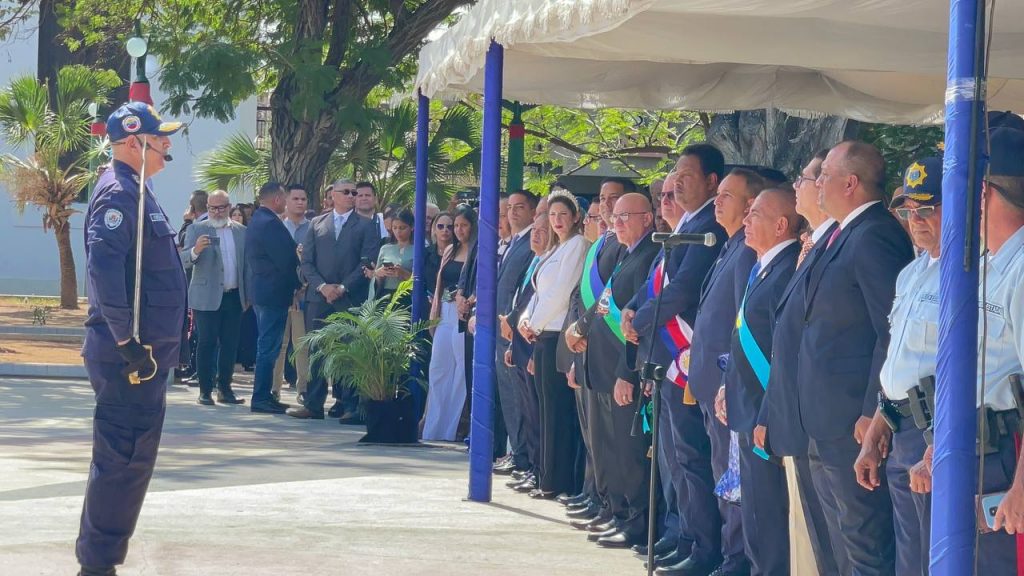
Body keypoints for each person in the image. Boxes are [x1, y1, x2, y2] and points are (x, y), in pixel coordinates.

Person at [77, 101, 187, 576]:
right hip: (130, 359)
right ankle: (96, 566)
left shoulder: (137, 190)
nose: (166, 143)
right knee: (122, 462)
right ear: (131, 142)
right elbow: (103, 271)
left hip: (142, 357)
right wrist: (127, 342)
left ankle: (100, 560)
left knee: (129, 463)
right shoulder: (119, 194)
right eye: (158, 137)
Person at [800, 140, 913, 576]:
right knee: (838, 544)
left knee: (864, 544)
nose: (817, 183)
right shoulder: (842, 233)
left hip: (853, 419)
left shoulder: (874, 234)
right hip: (825, 416)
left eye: (824, 175)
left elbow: (890, 329)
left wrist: (873, 409)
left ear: (850, 183)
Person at [623, 144, 728, 575]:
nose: (677, 182)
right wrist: (632, 309)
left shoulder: (708, 228)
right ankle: (685, 535)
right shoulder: (685, 224)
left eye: (686, 175)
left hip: (686, 355)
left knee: (690, 457)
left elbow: (682, 289)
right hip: (665, 357)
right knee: (673, 455)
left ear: (711, 181)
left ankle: (704, 548)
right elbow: (656, 281)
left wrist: (640, 319)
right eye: (675, 174)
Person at [853, 156, 943, 576]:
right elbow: (899, 360)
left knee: (935, 555)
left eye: (926, 209)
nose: (915, 220)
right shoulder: (911, 273)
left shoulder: (972, 272)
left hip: (935, 430)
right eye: (908, 211)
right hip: (901, 425)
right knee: (909, 557)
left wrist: (938, 444)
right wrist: (878, 425)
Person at [719, 187, 803, 576]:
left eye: (755, 214)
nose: (746, 220)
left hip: (765, 409)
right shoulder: (762, 267)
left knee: (768, 513)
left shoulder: (786, 270)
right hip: (748, 403)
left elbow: (780, 350)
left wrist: (767, 412)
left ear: (781, 224)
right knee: (754, 510)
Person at [961, 127, 1024, 572]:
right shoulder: (992, 262)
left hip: (1010, 453)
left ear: (982, 192)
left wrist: (1022, 484)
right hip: (982, 447)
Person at [588, 192, 662, 548]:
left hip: (628, 368)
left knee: (633, 454)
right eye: (614, 217)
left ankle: (638, 523)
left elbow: (636, 326)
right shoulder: (628, 253)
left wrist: (628, 372)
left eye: (624, 216)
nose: (616, 223)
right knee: (617, 448)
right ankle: (621, 513)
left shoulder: (649, 255)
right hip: (609, 365)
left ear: (647, 218)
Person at [287, 179, 381, 420]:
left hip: (350, 298)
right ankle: (313, 404)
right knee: (316, 349)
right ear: (333, 195)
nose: (352, 196)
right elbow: (307, 262)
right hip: (319, 298)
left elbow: (366, 261)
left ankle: (350, 405)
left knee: (349, 351)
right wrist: (322, 287)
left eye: (354, 192)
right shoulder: (317, 223)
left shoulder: (366, 225)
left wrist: (342, 287)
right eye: (346, 192)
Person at [518, 191, 590, 499]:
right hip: (542, 332)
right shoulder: (555, 248)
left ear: (575, 217)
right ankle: (545, 476)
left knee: (557, 413)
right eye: (552, 215)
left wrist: (533, 324)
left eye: (563, 214)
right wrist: (525, 320)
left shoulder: (577, 245)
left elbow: (561, 292)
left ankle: (556, 481)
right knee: (544, 410)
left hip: (556, 332)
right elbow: (538, 292)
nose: (557, 220)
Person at [180, 189, 248, 406]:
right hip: (206, 296)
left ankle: (225, 389)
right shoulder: (197, 229)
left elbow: (246, 264)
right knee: (207, 342)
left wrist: (248, 295)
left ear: (229, 207)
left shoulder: (241, 231)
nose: (217, 212)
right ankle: (205, 390)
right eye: (212, 208)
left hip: (233, 295)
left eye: (221, 208)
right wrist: (196, 250)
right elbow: (183, 260)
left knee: (230, 344)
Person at [493, 190, 540, 476]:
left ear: (533, 211)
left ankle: (522, 455)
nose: (512, 212)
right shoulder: (513, 242)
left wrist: (512, 319)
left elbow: (525, 290)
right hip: (501, 331)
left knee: (518, 399)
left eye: (519, 207)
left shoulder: (532, 242)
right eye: (509, 207)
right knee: (509, 397)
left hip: (515, 332)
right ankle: (518, 451)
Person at [245, 182, 301, 414]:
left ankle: (266, 394)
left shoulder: (258, 219)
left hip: (264, 291)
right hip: (273, 292)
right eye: (284, 199)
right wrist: (298, 284)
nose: (286, 203)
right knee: (268, 347)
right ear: (277, 199)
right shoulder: (269, 223)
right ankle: (260, 397)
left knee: (270, 346)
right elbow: (285, 260)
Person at [423, 206, 477, 440]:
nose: (458, 230)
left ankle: (451, 429)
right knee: (438, 368)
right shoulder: (449, 251)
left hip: (464, 314)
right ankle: (432, 428)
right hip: (445, 312)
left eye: (463, 225)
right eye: (456, 226)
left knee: (460, 373)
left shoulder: (478, 252)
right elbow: (440, 284)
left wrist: (467, 299)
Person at [272, 185, 312, 403]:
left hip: (304, 295)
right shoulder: (277, 227)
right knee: (278, 345)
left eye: (303, 199)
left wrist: (301, 288)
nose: (300, 202)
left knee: (302, 344)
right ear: (286, 201)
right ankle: (274, 389)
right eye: (295, 198)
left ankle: (303, 389)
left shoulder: (314, 228)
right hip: (279, 295)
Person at [370, 208, 414, 301]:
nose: (398, 232)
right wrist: (379, 273)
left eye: (402, 228)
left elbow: (421, 280)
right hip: (386, 295)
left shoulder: (418, 250)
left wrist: (403, 274)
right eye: (395, 228)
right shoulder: (385, 248)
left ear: (411, 227)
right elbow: (376, 280)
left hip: (408, 296)